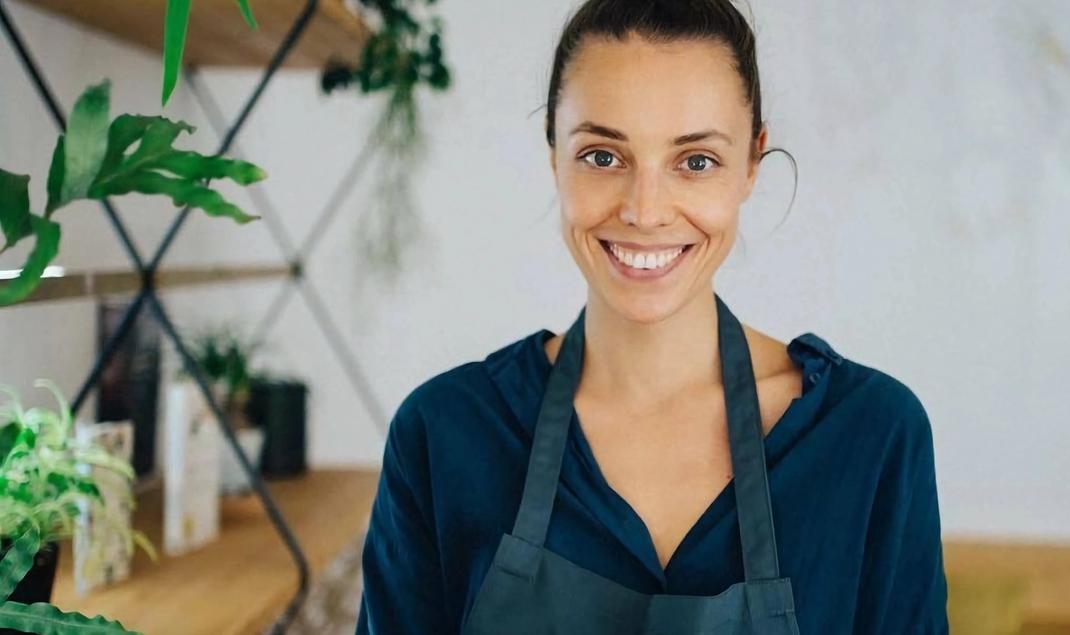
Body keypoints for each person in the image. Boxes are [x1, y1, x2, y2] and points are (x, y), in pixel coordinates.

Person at [356, 1, 949, 633]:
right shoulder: (446, 434)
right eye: (603, 156)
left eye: (695, 161)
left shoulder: (869, 436)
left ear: (751, 162)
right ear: (553, 153)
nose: (645, 210)